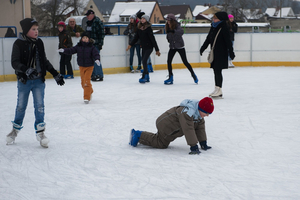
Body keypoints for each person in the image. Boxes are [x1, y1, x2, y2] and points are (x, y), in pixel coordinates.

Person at [6, 18, 65, 148]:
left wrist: (55, 74)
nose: (36, 31)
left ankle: (41, 133)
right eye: (33, 29)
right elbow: (14, 62)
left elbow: (44, 60)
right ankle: (14, 131)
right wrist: (26, 70)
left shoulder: (39, 43)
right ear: (26, 30)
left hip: (38, 81)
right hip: (25, 81)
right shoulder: (18, 43)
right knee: (21, 106)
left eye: (37, 29)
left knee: (40, 106)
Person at [129, 97, 214, 155]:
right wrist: (193, 146)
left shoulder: (198, 114)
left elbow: (200, 128)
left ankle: (139, 135)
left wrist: (203, 143)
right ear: (201, 109)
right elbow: (188, 129)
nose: (207, 115)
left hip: (173, 127)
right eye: (206, 113)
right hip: (166, 125)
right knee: (161, 143)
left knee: (198, 124)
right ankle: (138, 135)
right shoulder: (187, 113)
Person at [58, 32, 100, 104]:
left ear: (88, 39)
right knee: (83, 83)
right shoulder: (78, 46)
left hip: (89, 66)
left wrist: (97, 59)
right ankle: (90, 91)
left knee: (86, 81)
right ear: (81, 39)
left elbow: (96, 54)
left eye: (86, 38)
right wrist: (64, 50)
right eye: (83, 38)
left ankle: (86, 97)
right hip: (81, 66)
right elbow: (71, 50)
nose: (85, 39)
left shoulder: (91, 47)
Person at [200, 11, 235, 98]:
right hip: (214, 52)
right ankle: (217, 88)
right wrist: (203, 47)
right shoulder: (213, 27)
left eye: (215, 18)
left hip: (221, 52)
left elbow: (228, 41)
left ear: (220, 19)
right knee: (215, 71)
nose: (213, 19)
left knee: (218, 71)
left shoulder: (224, 27)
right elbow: (208, 38)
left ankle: (219, 89)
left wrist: (231, 52)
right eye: (213, 18)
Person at [164, 13, 198, 85]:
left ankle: (193, 75)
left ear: (172, 20)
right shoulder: (167, 26)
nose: (168, 21)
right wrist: (168, 39)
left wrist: (174, 31)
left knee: (185, 62)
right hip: (172, 46)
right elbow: (168, 35)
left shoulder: (177, 25)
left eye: (169, 20)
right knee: (169, 61)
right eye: (167, 20)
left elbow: (181, 32)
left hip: (179, 46)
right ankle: (170, 77)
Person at [126, 15, 161, 83]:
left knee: (144, 61)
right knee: (143, 61)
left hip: (149, 47)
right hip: (144, 47)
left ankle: (144, 75)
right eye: (142, 18)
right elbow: (136, 37)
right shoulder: (139, 28)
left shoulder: (148, 28)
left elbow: (152, 39)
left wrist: (157, 49)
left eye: (144, 19)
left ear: (146, 20)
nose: (142, 20)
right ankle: (147, 76)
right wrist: (130, 45)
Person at [85, 10, 105, 81]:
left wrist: (100, 44)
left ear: (92, 15)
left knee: (96, 60)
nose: (87, 17)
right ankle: (94, 74)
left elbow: (101, 34)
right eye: (86, 15)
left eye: (88, 15)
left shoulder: (97, 22)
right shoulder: (88, 23)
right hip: (89, 45)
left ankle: (99, 74)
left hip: (96, 44)